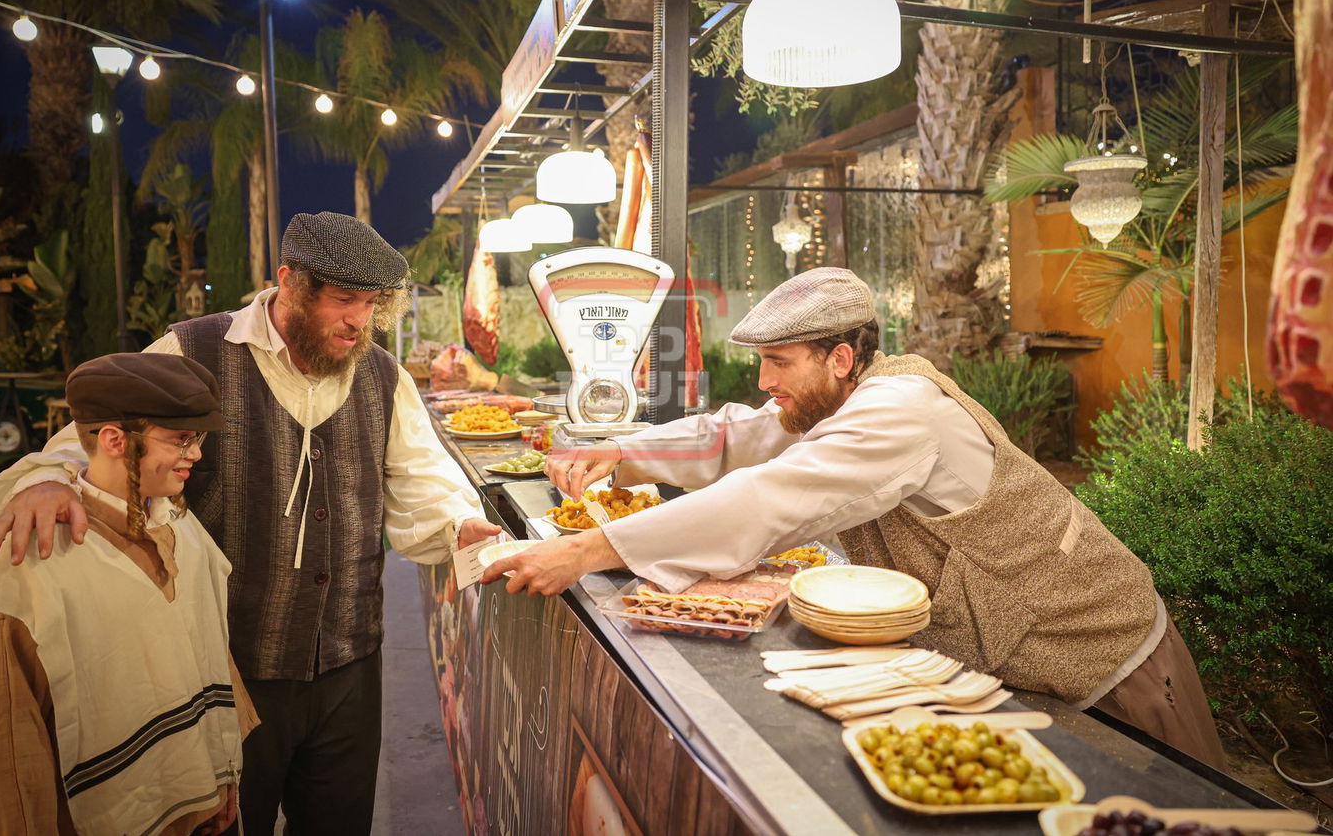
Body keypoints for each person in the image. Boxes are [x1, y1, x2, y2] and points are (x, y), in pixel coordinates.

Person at [482, 267, 1228, 770]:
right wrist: (622, 449)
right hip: (1023, 661)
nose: (766, 382)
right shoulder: (836, 397)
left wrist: (587, 549)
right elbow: (739, 433)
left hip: (1115, 661)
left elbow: (768, 497)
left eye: (779, 362)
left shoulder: (897, 415)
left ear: (840, 357)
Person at [0, 212, 501, 834]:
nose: (359, 321)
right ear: (289, 283)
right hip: (225, 666)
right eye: (343, 301)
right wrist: (42, 480)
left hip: (349, 664)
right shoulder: (196, 348)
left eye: (371, 303)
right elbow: (95, 441)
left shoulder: (381, 374)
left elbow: (424, 478)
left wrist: (462, 525)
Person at [0, 352, 256, 835]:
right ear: (114, 440)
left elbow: (210, 650)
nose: (196, 454)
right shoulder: (24, 579)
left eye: (198, 438)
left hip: (199, 807)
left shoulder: (183, 526)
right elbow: (5, 755)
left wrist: (223, 778)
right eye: (181, 439)